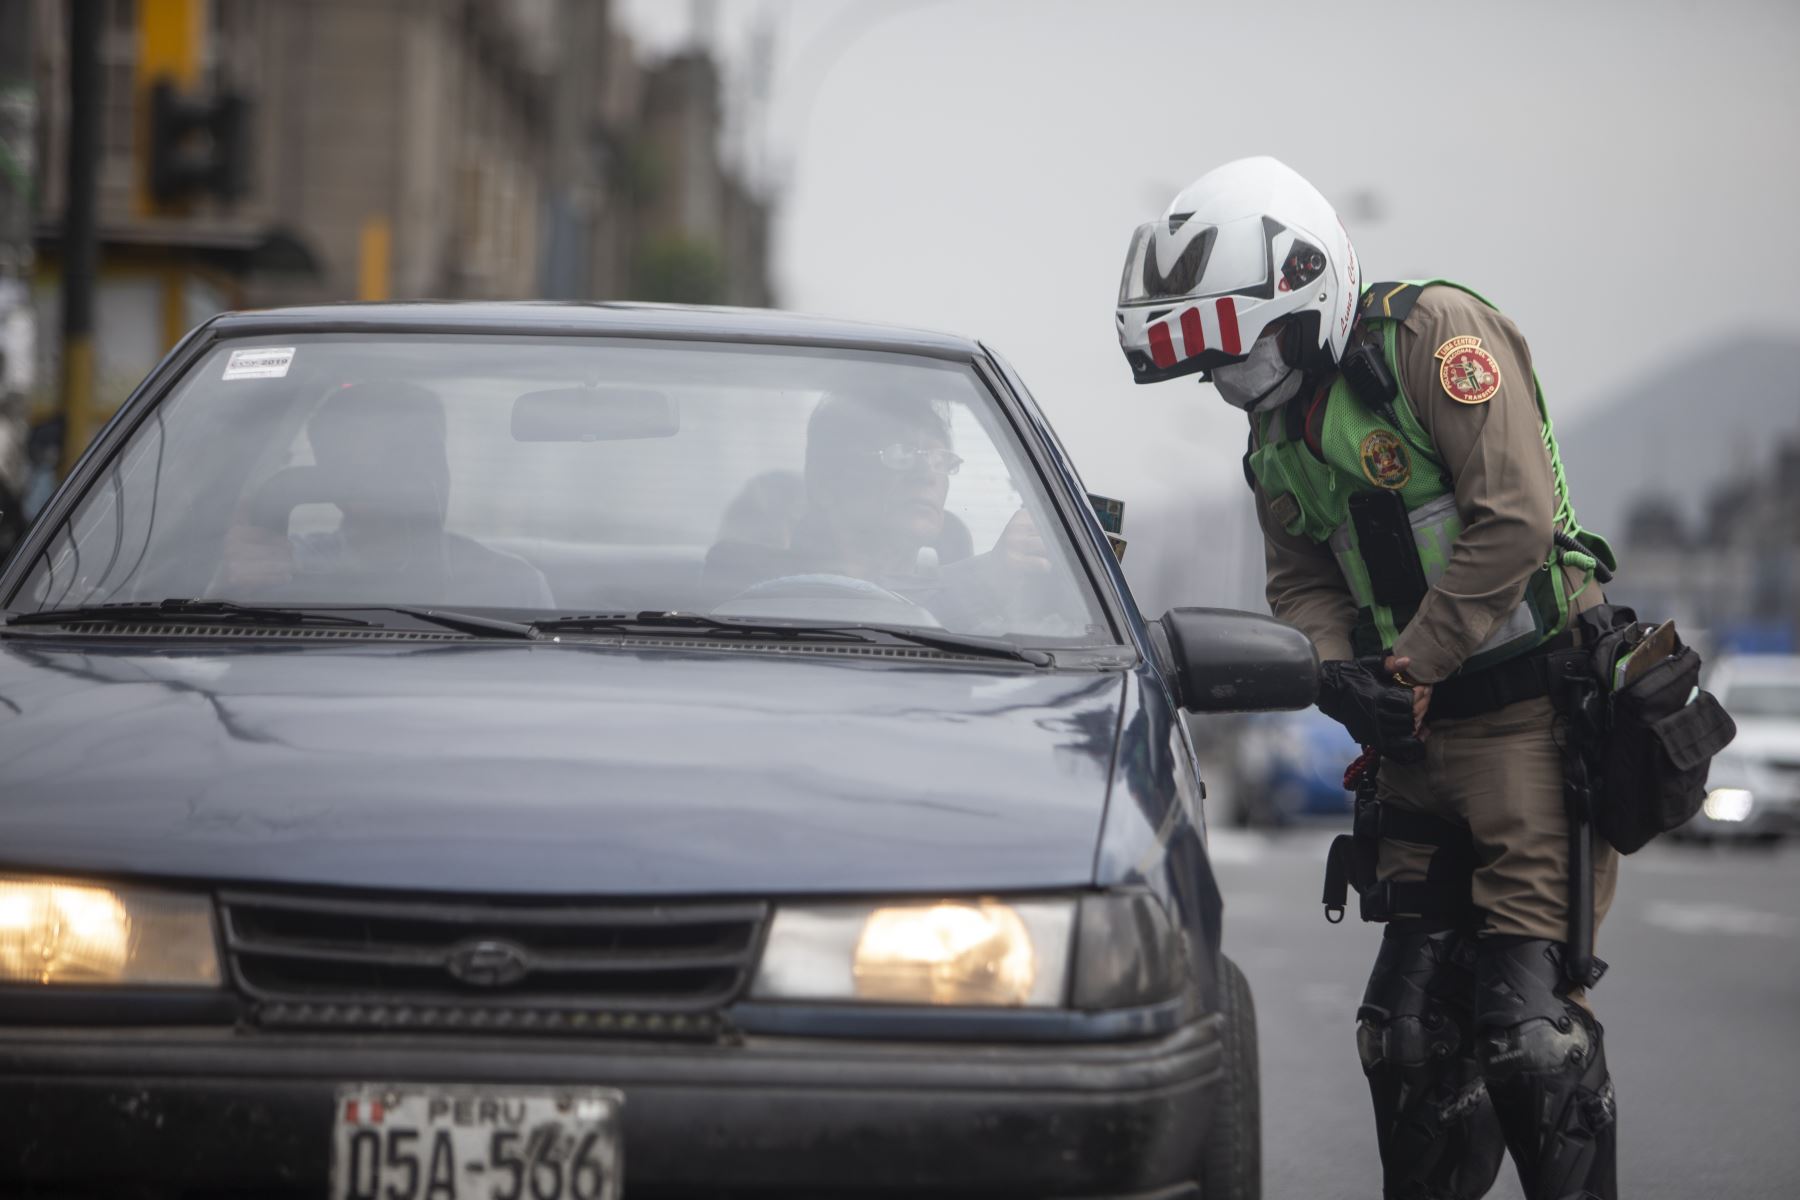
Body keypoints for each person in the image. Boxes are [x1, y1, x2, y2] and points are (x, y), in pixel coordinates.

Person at [1115, 157, 1620, 1200]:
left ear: (1303, 292)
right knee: (1402, 1041)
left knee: (1528, 1038)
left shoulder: (1433, 338)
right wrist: (1340, 677)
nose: (1223, 381)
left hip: (1531, 720)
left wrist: (1412, 664)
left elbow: (1514, 519)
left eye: (1234, 352)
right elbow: (1300, 579)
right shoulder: (1275, 432)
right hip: (1412, 744)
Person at [703, 391, 1050, 631]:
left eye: (941, 460)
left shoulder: (993, 616)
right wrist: (982, 583)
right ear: (826, 483)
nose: (928, 473)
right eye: (901, 453)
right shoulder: (744, 590)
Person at [218, 381, 554, 609]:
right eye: (388, 458)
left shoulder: (512, 586)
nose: (425, 475)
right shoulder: (279, 569)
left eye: (431, 453)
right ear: (328, 475)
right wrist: (233, 591)